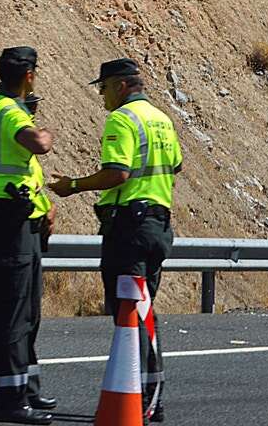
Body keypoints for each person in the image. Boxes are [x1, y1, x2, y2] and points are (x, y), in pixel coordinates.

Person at [50, 58, 182, 423]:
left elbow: (118, 172)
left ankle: (138, 401)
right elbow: (175, 166)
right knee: (142, 311)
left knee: (128, 313)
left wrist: (72, 186)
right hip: (157, 224)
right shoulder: (162, 120)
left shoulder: (122, 119)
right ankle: (151, 398)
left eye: (104, 87)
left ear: (121, 86)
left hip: (129, 228)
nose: (101, 96)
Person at [0, 47, 57, 424]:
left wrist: (44, 204)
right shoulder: (11, 113)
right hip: (11, 221)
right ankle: (12, 399)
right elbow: (40, 146)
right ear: (30, 76)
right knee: (15, 311)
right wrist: (43, 129)